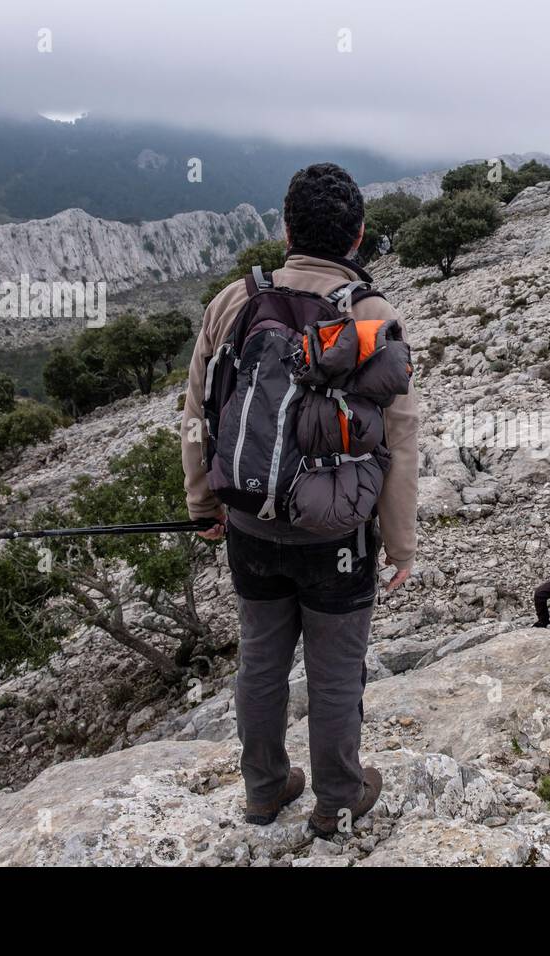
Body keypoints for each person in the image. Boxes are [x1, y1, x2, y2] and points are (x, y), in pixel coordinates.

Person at [180, 163, 418, 834]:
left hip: (251, 523)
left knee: (260, 662)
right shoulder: (373, 316)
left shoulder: (232, 302)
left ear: (284, 229)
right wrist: (400, 544)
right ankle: (339, 797)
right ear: (359, 236)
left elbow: (199, 413)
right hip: (337, 536)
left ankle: (264, 788)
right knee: (336, 674)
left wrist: (204, 504)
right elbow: (400, 439)